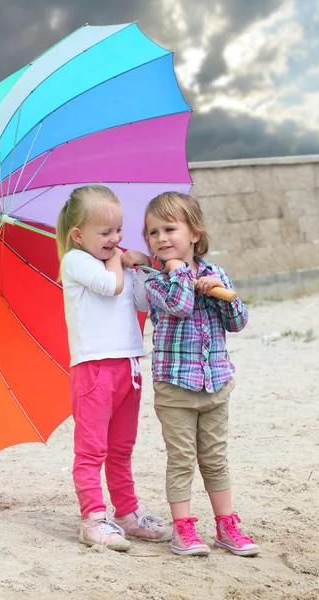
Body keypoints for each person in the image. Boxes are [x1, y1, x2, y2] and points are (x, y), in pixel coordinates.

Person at [132, 191, 260, 557]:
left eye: (169, 228)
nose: (161, 238)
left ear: (195, 234)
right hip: (176, 388)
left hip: (216, 383)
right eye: (152, 233)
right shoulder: (155, 281)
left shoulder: (215, 274)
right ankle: (184, 530)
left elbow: (238, 323)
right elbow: (181, 306)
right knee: (182, 458)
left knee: (216, 458)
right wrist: (180, 275)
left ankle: (226, 526)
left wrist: (226, 297)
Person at [55, 184, 171, 552]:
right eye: (105, 232)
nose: (115, 238)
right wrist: (119, 261)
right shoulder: (75, 261)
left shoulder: (113, 260)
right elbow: (109, 286)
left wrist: (144, 267)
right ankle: (93, 518)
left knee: (122, 447)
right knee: (92, 449)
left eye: (119, 229)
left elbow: (138, 299)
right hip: (93, 369)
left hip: (128, 365)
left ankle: (127, 514)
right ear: (78, 234)